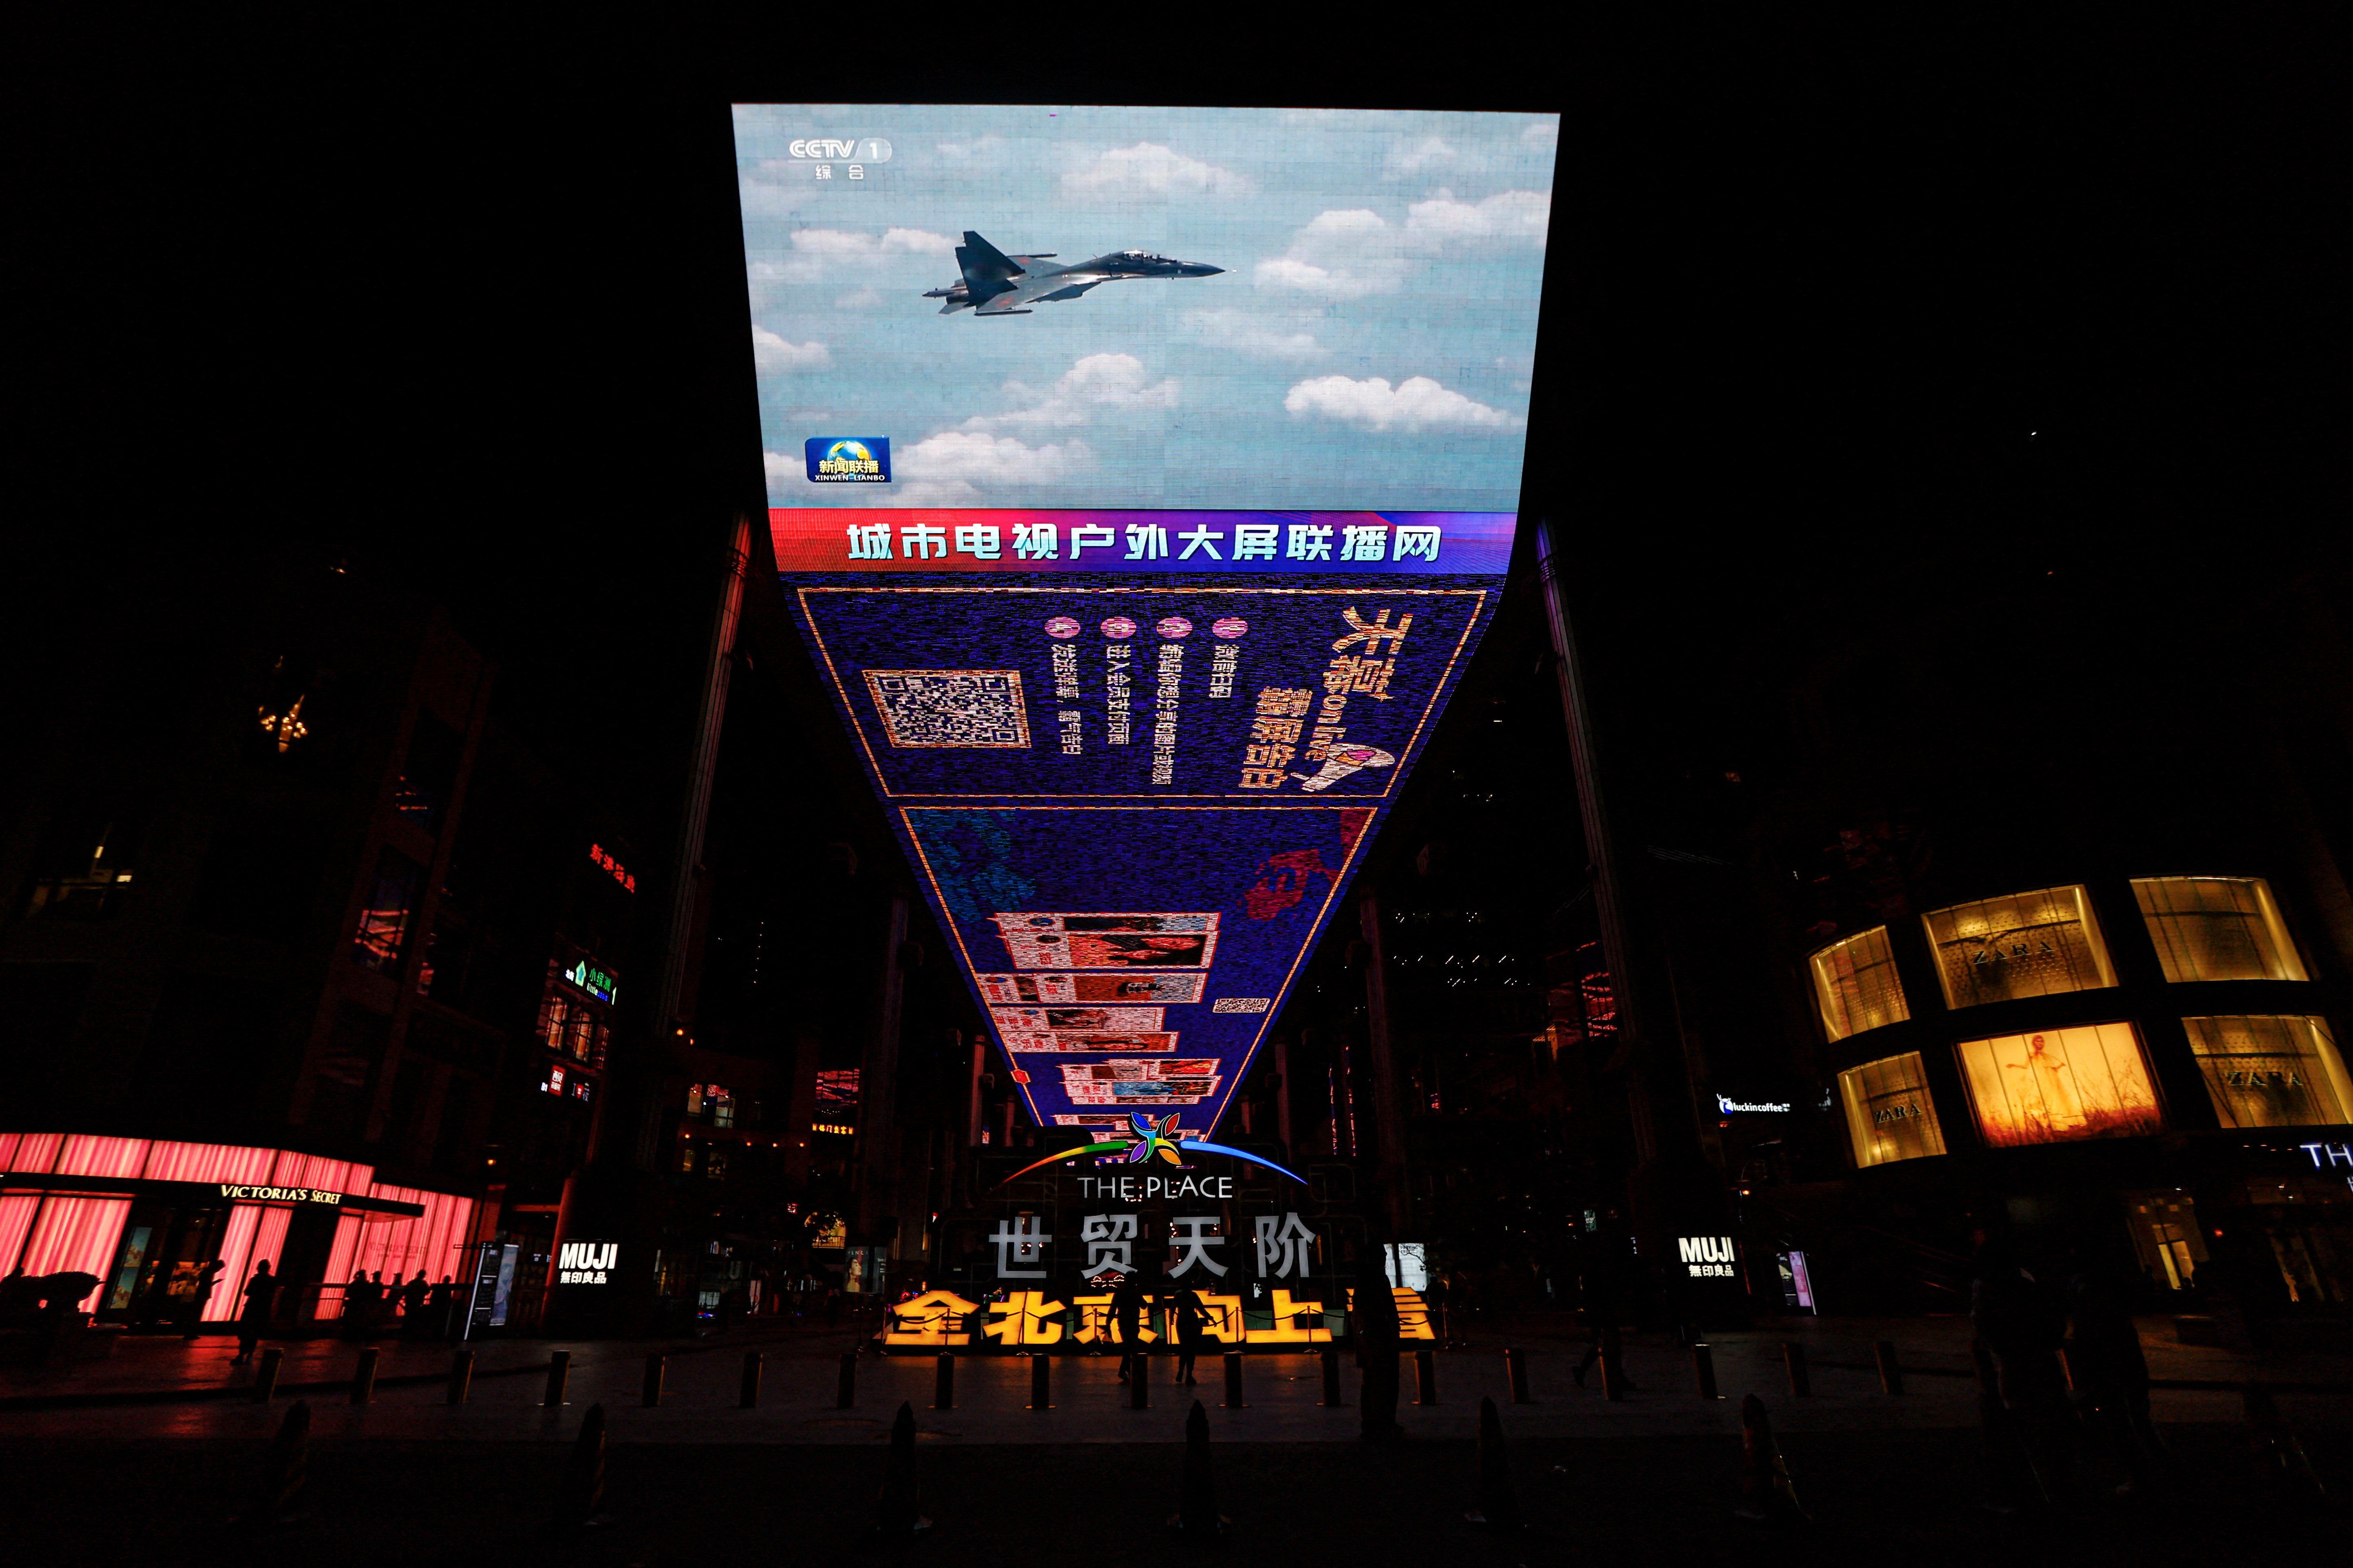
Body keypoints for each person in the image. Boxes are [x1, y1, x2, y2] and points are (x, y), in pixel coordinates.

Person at [2063, 1239, 2168, 1489]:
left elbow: (2087, 1325)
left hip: (2107, 1359)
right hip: (2123, 1355)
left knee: (2121, 1420)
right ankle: (2161, 1468)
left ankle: (2142, 1475)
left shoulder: (2083, 1287)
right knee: (2138, 1417)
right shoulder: (2111, 1282)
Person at [1354, 1243, 1404, 1440]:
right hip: (1379, 1341)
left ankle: (1377, 1423)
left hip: (1378, 1339)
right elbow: (1375, 1312)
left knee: (1376, 1383)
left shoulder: (1368, 1278)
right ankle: (1380, 1423)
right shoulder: (1373, 1279)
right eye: (1381, 1255)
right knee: (1382, 1383)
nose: (1384, 1259)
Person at [232, 1259, 277, 1364]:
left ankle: (241, 1355)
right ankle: (250, 1355)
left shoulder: (255, 1280)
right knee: (256, 1332)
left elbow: (247, 1292)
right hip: (264, 1309)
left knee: (246, 1331)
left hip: (252, 1308)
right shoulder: (273, 1281)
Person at [1112, 1271, 1147, 1384]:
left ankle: (1127, 1371)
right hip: (1133, 1322)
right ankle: (1124, 1371)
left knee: (1129, 1347)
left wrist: (1108, 1324)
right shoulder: (1135, 1292)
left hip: (1123, 1322)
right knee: (1132, 1347)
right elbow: (1144, 1305)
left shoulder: (1120, 1292)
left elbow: (1113, 1308)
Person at [181, 1258, 225, 1341]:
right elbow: (207, 1285)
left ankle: (191, 1333)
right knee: (197, 1314)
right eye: (219, 1269)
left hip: (201, 1295)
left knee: (196, 1314)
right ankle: (191, 1333)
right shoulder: (208, 1273)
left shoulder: (206, 1272)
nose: (218, 1270)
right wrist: (216, 1282)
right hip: (202, 1295)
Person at [1173, 1288, 1209, 1385]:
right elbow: (1201, 1309)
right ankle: (1189, 1375)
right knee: (1191, 1350)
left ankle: (1181, 1371)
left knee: (1184, 1348)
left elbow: (1173, 1307)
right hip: (1193, 1322)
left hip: (1181, 1322)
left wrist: (1171, 1316)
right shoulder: (1193, 1295)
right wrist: (1209, 1317)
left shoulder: (1178, 1294)